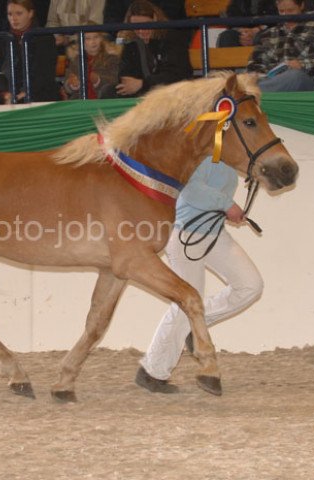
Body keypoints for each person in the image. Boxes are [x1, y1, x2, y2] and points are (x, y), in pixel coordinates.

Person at [136, 156, 264, 393]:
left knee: (250, 285)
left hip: (215, 235)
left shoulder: (229, 157)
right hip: (186, 235)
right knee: (186, 304)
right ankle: (152, 371)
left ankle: (198, 326)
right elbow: (191, 189)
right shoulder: (204, 153)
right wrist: (227, 204)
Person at [109, 0, 192, 98]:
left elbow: (176, 75)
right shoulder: (131, 43)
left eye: (146, 25)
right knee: (108, 91)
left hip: (170, 92)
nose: (141, 31)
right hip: (143, 92)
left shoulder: (172, 39)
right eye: (136, 27)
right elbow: (125, 73)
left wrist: (142, 84)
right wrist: (128, 82)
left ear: (155, 19)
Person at [0, 0, 59, 105]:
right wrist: (6, 93)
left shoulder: (44, 38)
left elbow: (43, 75)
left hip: (39, 92)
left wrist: (23, 93)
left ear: (30, 13)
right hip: (12, 93)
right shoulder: (3, 40)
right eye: (10, 14)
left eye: (19, 13)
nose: (13, 18)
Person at [247, 0, 314, 92]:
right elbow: (255, 63)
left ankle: (251, 92)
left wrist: (301, 65)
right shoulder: (268, 34)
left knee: (295, 76)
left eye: (291, 11)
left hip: (306, 82)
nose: (286, 15)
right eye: (281, 11)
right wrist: (258, 74)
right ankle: (255, 90)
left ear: (301, 6)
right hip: (272, 80)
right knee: (249, 77)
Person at [62, 29, 119, 100]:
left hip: (103, 100)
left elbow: (115, 80)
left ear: (101, 39)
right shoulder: (76, 60)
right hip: (79, 100)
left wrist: (98, 80)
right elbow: (67, 84)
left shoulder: (111, 58)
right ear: (81, 42)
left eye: (96, 37)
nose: (93, 42)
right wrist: (72, 84)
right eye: (88, 39)